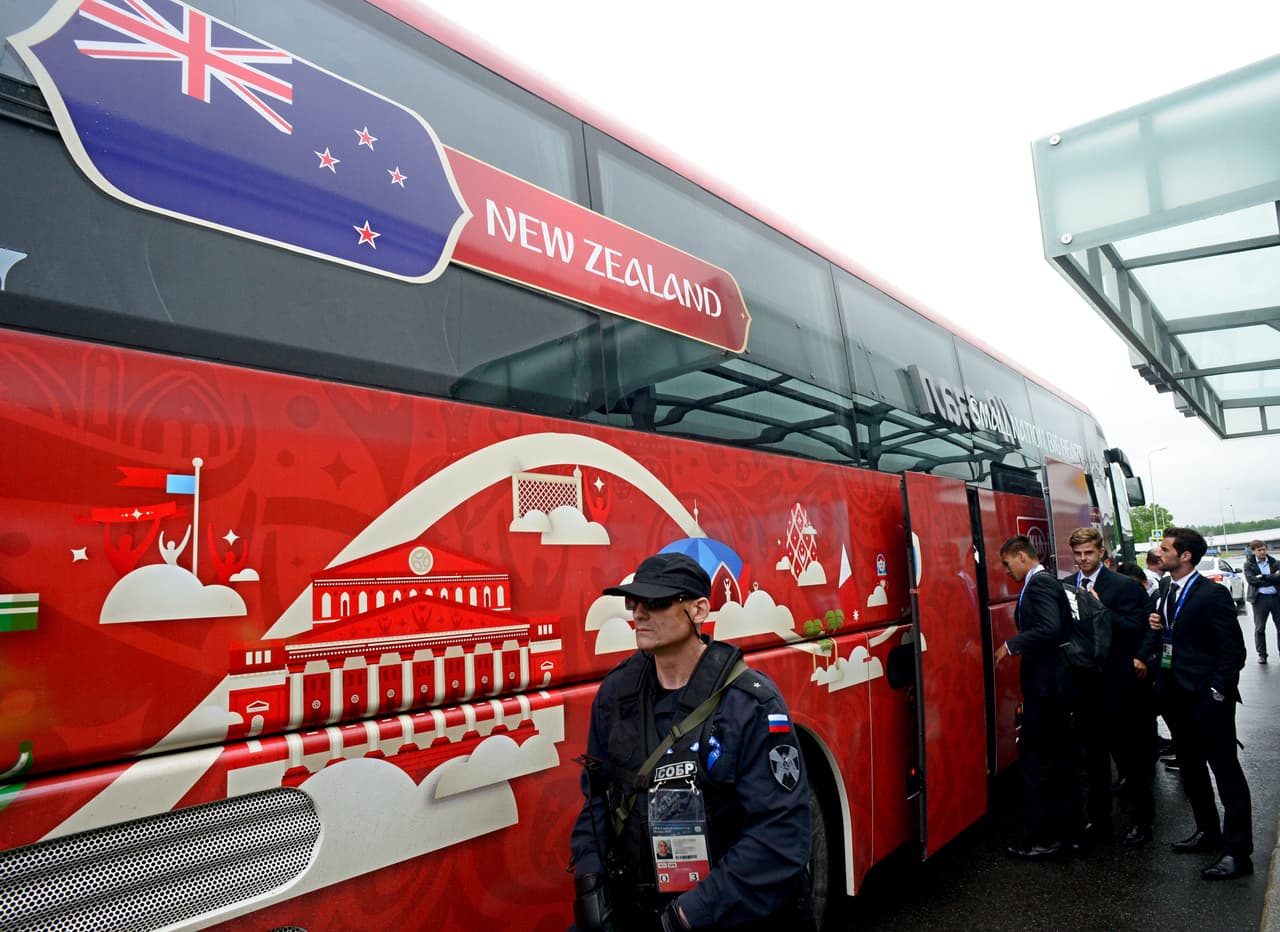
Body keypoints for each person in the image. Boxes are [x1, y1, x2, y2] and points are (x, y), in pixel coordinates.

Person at [570, 552, 812, 931]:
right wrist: (590, 887)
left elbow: (780, 838)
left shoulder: (750, 704)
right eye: (634, 603)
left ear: (699, 610)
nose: (639, 614)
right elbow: (596, 802)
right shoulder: (615, 695)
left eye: (657, 602)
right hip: (638, 912)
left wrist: (687, 916)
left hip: (723, 916)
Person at [1151, 527, 1253, 880]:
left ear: (1185, 556)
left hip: (1208, 700)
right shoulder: (1165, 590)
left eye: (1164, 549)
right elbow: (1171, 633)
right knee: (1192, 770)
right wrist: (1157, 624)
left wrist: (1217, 692)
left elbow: (1233, 652)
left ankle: (1238, 853)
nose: (1158, 553)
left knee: (1226, 772)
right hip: (1175, 697)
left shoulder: (1212, 594)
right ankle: (1208, 832)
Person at [1062, 528, 1156, 848]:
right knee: (1094, 760)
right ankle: (1099, 822)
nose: (1083, 559)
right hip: (1083, 683)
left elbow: (1139, 629)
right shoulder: (1066, 587)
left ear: (1101, 552)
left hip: (1116, 682)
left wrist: (1102, 610)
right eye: (1077, 554)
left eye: (1088, 553)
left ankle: (1142, 822)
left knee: (1129, 758)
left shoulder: (1124, 586)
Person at [995, 535, 1074, 860]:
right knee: (1053, 760)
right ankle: (1059, 831)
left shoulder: (1039, 584)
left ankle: (1044, 838)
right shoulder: (1042, 581)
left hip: (1046, 689)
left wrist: (1013, 645)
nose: (1005, 570)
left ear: (1021, 556)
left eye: (1006, 563)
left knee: (1036, 762)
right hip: (1050, 687)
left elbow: (1050, 628)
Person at [1243, 539, 1280, 665]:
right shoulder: (1249, 564)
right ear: (1254, 551)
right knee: (1259, 628)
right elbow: (1252, 581)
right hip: (1260, 599)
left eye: (1264, 549)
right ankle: (1262, 655)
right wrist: (1272, 578)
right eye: (1259, 550)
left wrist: (1264, 577)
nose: (1263, 552)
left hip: (1276, 597)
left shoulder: (1275, 562)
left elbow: (1279, 579)